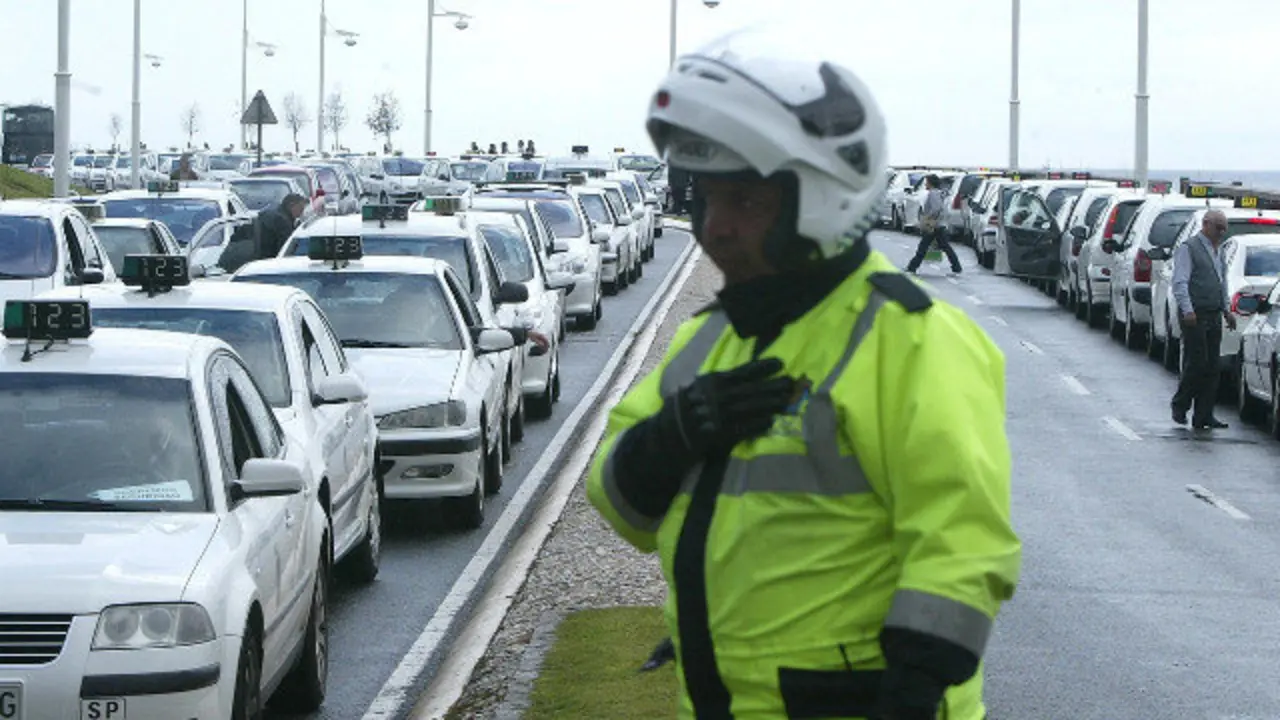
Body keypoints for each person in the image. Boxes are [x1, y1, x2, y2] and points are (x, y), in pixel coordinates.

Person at [586, 29, 1020, 720]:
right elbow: (619, 506)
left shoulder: (911, 339)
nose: (716, 227)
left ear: (820, 198)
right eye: (705, 198)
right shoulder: (709, 341)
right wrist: (672, 436)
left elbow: (962, 550)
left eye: (747, 203)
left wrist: (910, 697)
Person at [1170, 209, 1234, 429]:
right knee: (1197, 363)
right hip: (1194, 314)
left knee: (1212, 366)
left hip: (1213, 313)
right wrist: (1187, 310)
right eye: (1219, 228)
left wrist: (1226, 310)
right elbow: (1180, 282)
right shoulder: (1189, 248)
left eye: (1224, 228)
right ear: (1206, 225)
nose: (1222, 232)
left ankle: (1204, 415)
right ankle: (1180, 404)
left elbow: (1221, 282)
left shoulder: (1219, 251)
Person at [905, 174, 962, 275]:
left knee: (923, 247)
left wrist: (928, 218)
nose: (925, 184)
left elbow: (936, 208)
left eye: (926, 182)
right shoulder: (938, 193)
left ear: (931, 183)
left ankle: (912, 267)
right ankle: (956, 267)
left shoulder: (933, 193)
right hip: (939, 224)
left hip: (934, 225)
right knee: (945, 247)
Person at [253, 193, 308, 260]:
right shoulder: (282, 220)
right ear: (291, 205)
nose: (301, 213)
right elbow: (287, 247)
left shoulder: (275, 210)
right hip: (271, 258)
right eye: (300, 209)